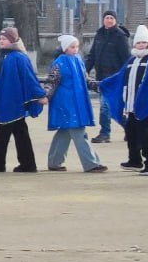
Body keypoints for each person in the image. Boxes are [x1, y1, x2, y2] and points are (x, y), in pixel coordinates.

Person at [100, 26, 148, 177]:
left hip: (145, 105)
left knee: (145, 133)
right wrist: (102, 84)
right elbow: (120, 77)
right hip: (131, 105)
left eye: (144, 42)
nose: (141, 45)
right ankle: (135, 160)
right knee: (131, 131)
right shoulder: (132, 60)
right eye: (138, 43)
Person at [0, 27, 47, 172]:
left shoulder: (19, 58)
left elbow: (29, 78)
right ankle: (25, 164)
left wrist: (40, 95)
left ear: (12, 40)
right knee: (17, 133)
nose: (1, 41)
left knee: (5, 133)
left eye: (4, 39)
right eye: (0, 39)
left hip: (14, 102)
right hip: (4, 101)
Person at [44, 35, 106, 173]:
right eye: (72, 47)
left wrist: (99, 86)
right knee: (78, 131)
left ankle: (54, 161)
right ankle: (91, 163)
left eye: (77, 46)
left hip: (77, 100)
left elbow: (85, 78)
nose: (75, 49)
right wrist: (46, 96)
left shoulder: (78, 60)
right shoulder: (59, 63)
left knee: (65, 131)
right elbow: (52, 81)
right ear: (65, 48)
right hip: (65, 101)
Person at [85, 11, 130, 143]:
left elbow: (126, 59)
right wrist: (85, 70)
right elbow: (92, 55)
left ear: (115, 20)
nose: (109, 20)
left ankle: (105, 133)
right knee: (113, 107)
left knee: (105, 106)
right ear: (103, 20)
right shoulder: (99, 35)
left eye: (111, 18)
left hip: (115, 77)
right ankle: (130, 129)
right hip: (101, 77)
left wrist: (124, 76)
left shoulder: (120, 36)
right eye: (107, 18)